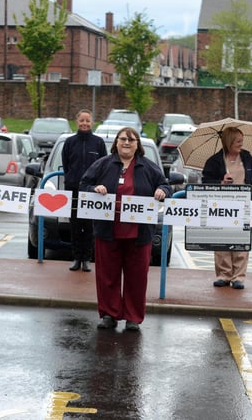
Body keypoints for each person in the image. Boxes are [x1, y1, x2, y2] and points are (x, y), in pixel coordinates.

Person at [80, 127, 171, 331]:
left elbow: (166, 186)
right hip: (107, 231)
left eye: (131, 140)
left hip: (139, 233)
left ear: (137, 144)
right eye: (123, 139)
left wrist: (161, 190)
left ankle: (133, 317)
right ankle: (109, 314)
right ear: (116, 142)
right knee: (107, 276)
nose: (127, 143)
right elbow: (84, 184)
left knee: (137, 277)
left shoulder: (148, 167)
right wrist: (95, 189)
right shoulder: (103, 164)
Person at [201, 126, 252, 290]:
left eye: (242, 141)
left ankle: (238, 277)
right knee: (222, 240)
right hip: (221, 204)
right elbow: (205, 180)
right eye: (237, 141)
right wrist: (220, 182)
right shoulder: (214, 161)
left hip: (243, 204)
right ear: (228, 142)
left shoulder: (248, 158)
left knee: (240, 241)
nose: (240, 144)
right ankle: (223, 275)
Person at [61, 109, 107, 272]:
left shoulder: (99, 143)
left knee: (88, 226)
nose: (85, 123)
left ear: (92, 122)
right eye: (82, 120)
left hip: (92, 191)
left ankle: (87, 259)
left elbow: (103, 166)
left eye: (88, 120)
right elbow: (66, 165)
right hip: (73, 189)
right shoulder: (69, 142)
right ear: (77, 122)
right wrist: (73, 179)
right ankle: (76, 257)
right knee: (74, 225)